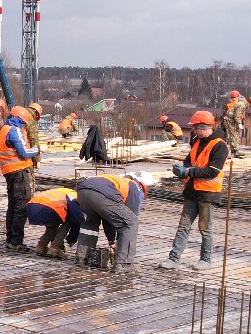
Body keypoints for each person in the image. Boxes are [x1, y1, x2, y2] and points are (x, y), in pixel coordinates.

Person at [159, 110, 229, 270]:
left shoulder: (219, 145)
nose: (193, 131)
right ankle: (173, 258)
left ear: (202, 127)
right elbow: (188, 161)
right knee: (183, 226)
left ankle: (206, 259)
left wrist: (189, 172)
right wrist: (181, 169)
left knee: (205, 228)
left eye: (195, 128)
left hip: (208, 194)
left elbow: (213, 171)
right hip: (191, 191)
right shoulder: (197, 141)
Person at [76, 172, 156, 272]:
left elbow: (108, 218)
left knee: (91, 223)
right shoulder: (135, 187)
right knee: (131, 222)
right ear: (143, 185)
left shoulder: (116, 180)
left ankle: (82, 258)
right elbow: (126, 222)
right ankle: (123, 263)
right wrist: (119, 244)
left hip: (82, 191)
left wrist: (111, 242)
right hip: (101, 193)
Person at [0, 106, 41, 251]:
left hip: (9, 172)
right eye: (23, 123)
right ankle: (16, 241)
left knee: (12, 206)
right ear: (19, 119)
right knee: (21, 207)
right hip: (19, 172)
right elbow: (23, 152)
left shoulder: (3, 129)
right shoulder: (14, 130)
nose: (24, 126)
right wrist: (36, 150)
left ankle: (10, 239)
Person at [26, 187, 82, 258]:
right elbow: (77, 220)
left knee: (53, 223)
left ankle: (41, 246)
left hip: (32, 206)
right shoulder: (75, 196)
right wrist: (72, 239)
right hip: (49, 208)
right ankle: (55, 248)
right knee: (69, 221)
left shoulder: (65, 191)